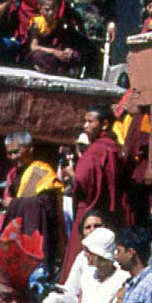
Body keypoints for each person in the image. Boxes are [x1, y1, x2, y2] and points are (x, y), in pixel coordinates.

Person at [60, 104, 125, 281]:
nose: (85, 126)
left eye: (90, 121)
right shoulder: (115, 147)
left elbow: (83, 179)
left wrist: (72, 175)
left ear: (104, 124)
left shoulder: (96, 149)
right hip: (108, 216)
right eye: (85, 121)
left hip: (88, 212)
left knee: (79, 260)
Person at [0, 129, 65, 274]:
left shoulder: (41, 171)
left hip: (37, 235)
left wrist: (14, 203)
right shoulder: (14, 174)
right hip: (17, 234)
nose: (13, 157)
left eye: (16, 152)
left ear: (30, 149)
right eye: (9, 153)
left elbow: (48, 204)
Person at [24, 0, 83, 76]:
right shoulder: (36, 23)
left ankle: (57, 68)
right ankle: (61, 69)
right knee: (38, 56)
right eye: (47, 9)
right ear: (40, 8)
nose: (51, 12)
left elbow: (61, 42)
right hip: (43, 52)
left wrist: (67, 49)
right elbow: (33, 47)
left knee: (75, 54)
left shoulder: (58, 23)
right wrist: (53, 51)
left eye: (54, 9)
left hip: (56, 54)